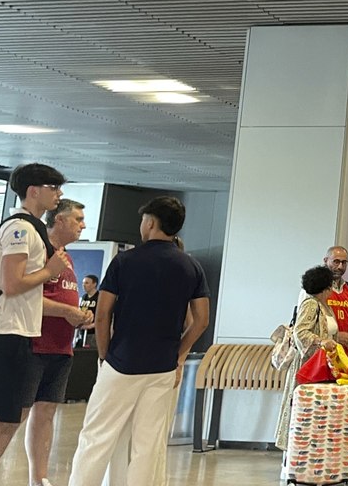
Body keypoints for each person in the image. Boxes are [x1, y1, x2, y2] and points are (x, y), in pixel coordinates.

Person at [67, 197, 210, 486]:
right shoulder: (190, 267)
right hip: (162, 366)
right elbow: (201, 320)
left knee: (97, 437)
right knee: (148, 444)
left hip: (121, 362)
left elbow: (103, 313)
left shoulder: (125, 261)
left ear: (151, 223)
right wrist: (179, 354)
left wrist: (105, 355)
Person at [0, 163, 71, 486]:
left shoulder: (31, 228)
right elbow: (10, 283)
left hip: (20, 332)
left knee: (4, 417)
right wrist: (49, 272)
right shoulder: (19, 229)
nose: (58, 194)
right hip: (1, 332)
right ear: (34, 190)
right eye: (53, 187)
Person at [21, 199, 91, 486]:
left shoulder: (67, 257)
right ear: (59, 220)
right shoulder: (40, 251)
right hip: (35, 345)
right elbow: (26, 297)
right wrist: (68, 312)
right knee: (17, 414)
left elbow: (63, 297)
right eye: (77, 219)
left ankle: (39, 478)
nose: (82, 225)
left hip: (62, 347)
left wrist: (79, 316)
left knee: (46, 412)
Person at [275, 266, 341, 460]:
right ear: (325, 287)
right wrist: (321, 341)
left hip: (320, 364)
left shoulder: (323, 306)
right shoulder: (311, 304)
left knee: (311, 409)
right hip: (308, 366)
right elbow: (300, 332)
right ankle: (294, 457)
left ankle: (306, 455)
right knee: (302, 408)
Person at [296, 246, 348, 351]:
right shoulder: (312, 291)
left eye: (344, 263)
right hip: (318, 355)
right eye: (336, 261)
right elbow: (302, 330)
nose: (340, 266)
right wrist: (333, 337)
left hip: (340, 352)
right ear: (326, 261)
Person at [77, 275, 99, 349]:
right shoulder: (84, 297)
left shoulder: (99, 297)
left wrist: (92, 325)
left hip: (94, 333)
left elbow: (104, 316)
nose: (83, 285)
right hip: (83, 332)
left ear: (94, 284)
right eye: (83, 283)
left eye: (86, 283)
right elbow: (82, 311)